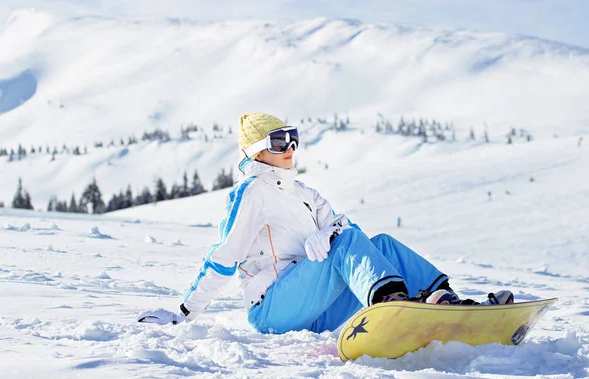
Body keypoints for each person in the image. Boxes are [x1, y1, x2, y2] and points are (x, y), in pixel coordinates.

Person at [136, 112, 513, 333]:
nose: (290, 148)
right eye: (280, 141)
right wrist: (183, 313)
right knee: (347, 244)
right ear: (257, 151)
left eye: (293, 139)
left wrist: (330, 231)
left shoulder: (304, 193)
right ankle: (394, 308)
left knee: (379, 244)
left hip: (315, 308)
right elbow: (224, 257)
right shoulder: (251, 193)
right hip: (273, 309)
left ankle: (449, 303)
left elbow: (351, 237)